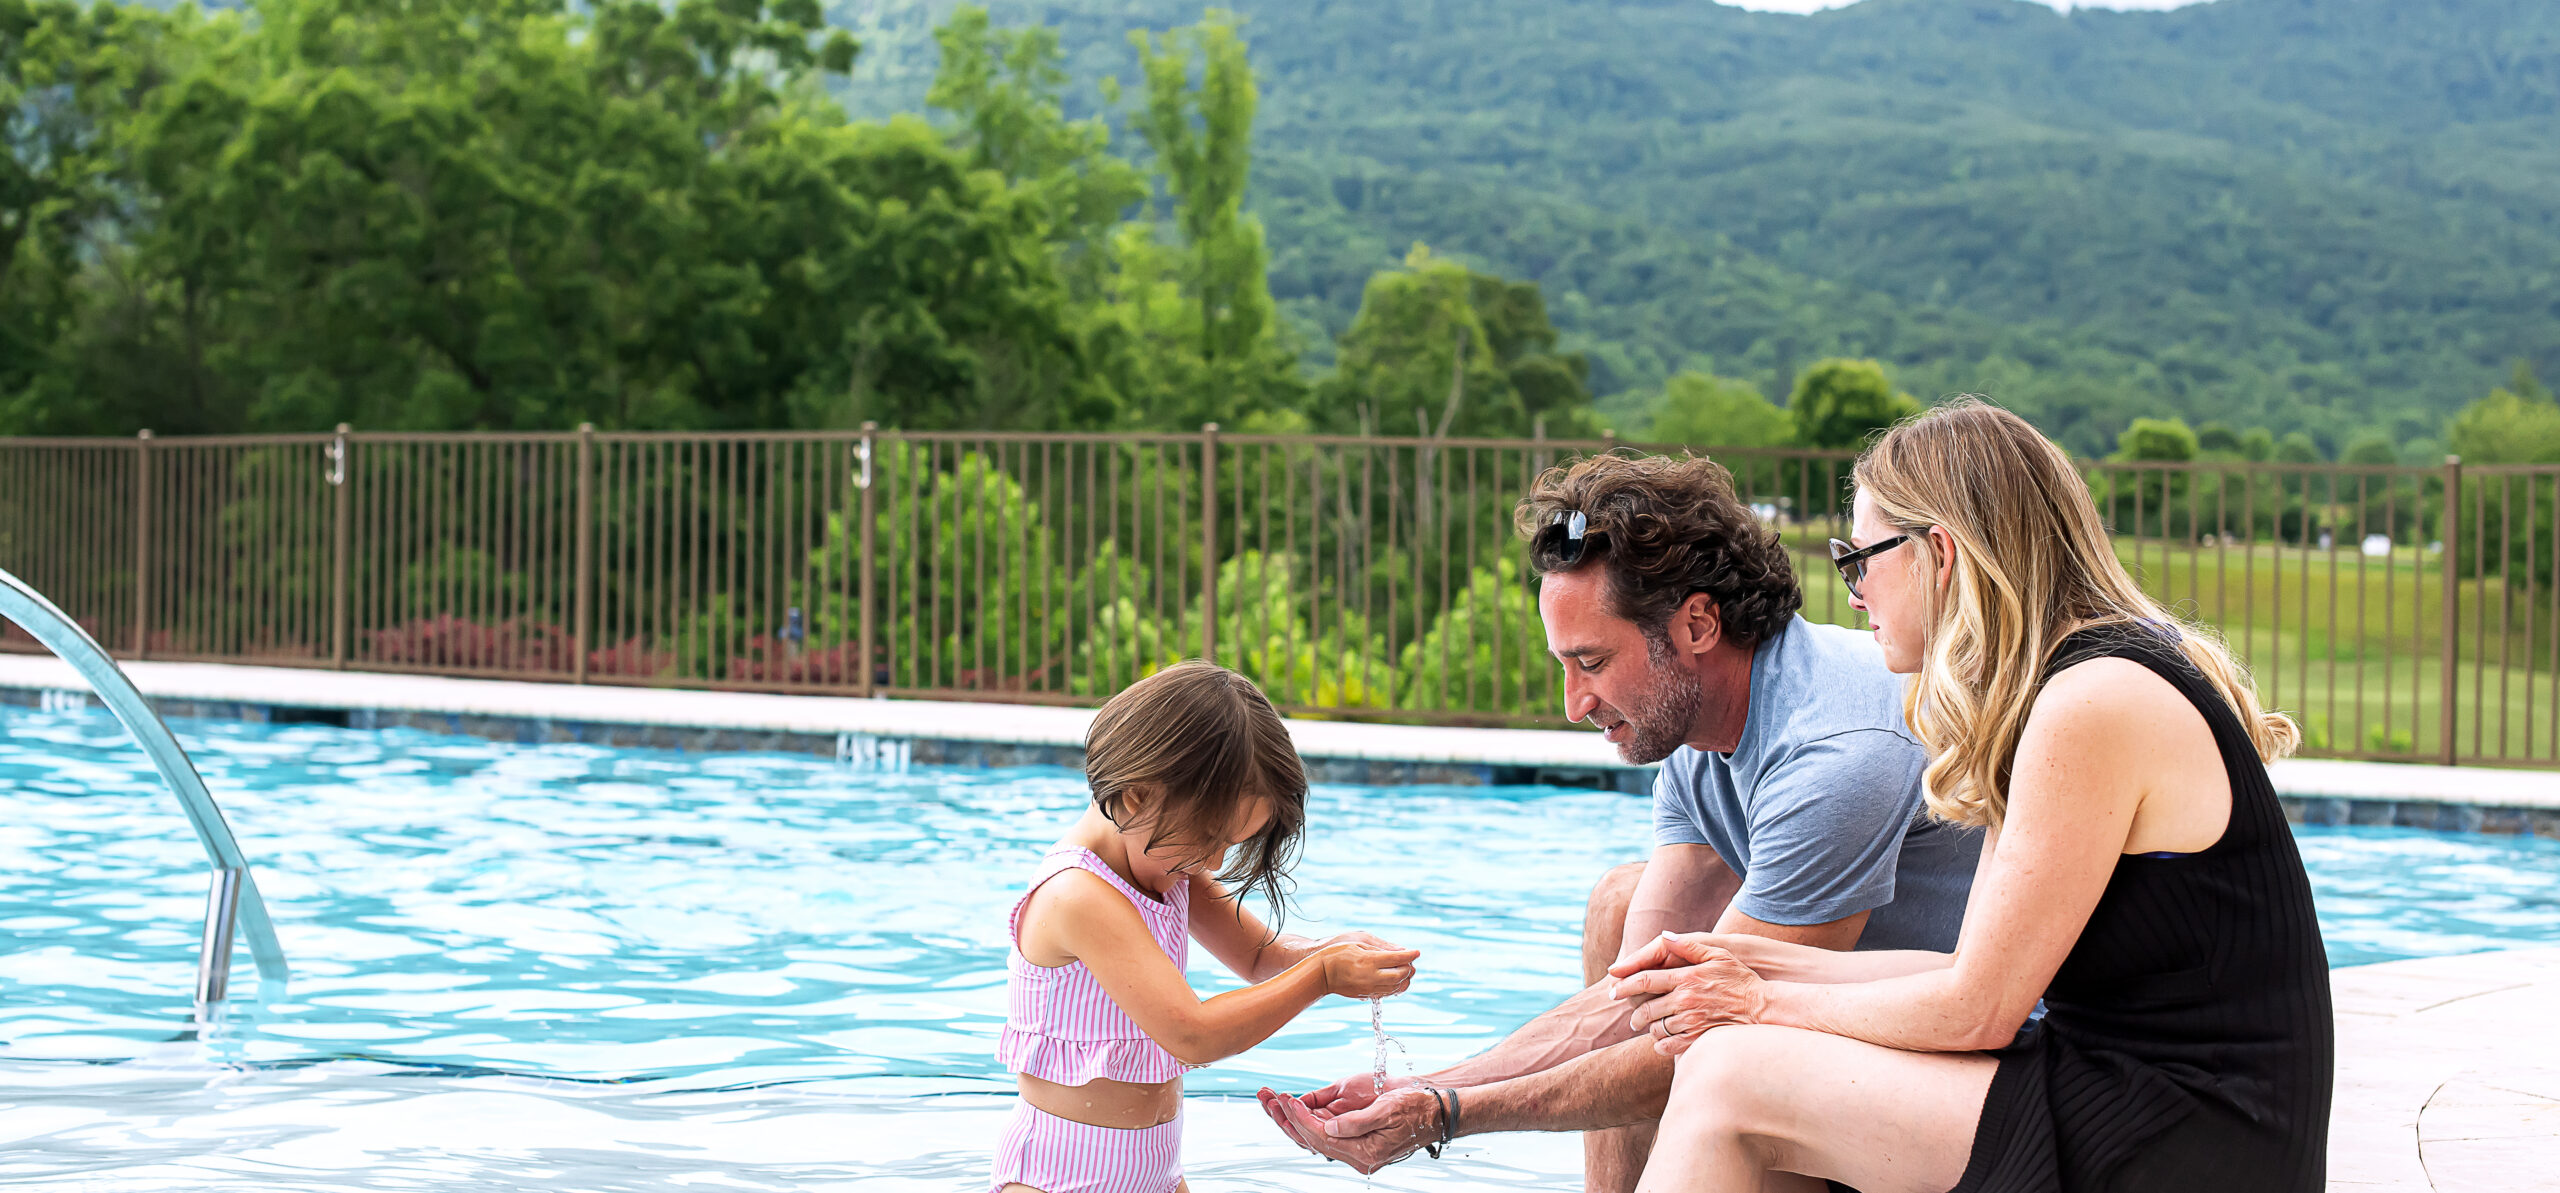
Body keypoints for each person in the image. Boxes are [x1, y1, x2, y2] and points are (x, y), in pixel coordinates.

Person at [1596, 400, 2334, 1191]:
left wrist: (1758, 1000)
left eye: (1861, 559)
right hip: (2141, 1095)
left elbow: (1979, 1009)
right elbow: (1966, 966)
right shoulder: (2062, 687)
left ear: (1938, 554)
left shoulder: (2092, 701)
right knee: (1742, 1068)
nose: (1851, 592)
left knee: (1733, 1079)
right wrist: (1749, 959)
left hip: (2191, 1135)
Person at [1258, 452, 1981, 1184]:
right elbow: (1631, 1002)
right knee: (1622, 906)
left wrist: (1446, 1111)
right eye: (1563, 666)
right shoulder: (1704, 733)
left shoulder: (1833, 756)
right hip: (1839, 1028)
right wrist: (1422, 1087)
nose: (1574, 703)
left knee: (1731, 1053)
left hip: (1953, 1074)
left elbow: (1693, 1033)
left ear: (1698, 623)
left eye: (1593, 662)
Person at [992, 660, 1420, 1193]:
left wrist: (1333, 949)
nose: (1213, 862)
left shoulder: (1167, 862)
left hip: (1157, 1173)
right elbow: (1192, 1035)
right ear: (1137, 796)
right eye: (1209, 836)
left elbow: (1260, 956)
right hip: (1057, 1178)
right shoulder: (1077, 896)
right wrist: (1324, 975)